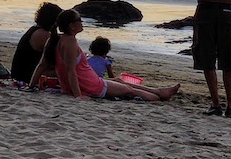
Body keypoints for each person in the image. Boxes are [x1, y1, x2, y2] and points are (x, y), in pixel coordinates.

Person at [48, 9, 180, 101]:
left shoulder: (58, 39)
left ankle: (159, 91)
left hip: (91, 82)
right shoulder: (70, 42)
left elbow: (50, 66)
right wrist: (78, 95)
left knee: (119, 81)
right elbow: (71, 72)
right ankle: (158, 96)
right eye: (79, 20)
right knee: (129, 90)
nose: (82, 22)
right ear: (72, 26)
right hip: (92, 86)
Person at [10, 2, 62, 84]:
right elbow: (55, 60)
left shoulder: (34, 30)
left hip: (19, 74)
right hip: (27, 76)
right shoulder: (44, 35)